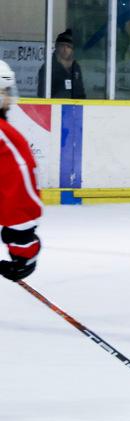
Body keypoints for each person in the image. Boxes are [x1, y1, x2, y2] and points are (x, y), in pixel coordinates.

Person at [0, 61, 43, 282]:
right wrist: (22, 242)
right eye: (6, 91)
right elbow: (20, 182)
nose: (9, 99)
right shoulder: (4, 136)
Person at [37, 29, 86, 99]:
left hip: (75, 105)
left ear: (72, 50)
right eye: (62, 46)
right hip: (55, 104)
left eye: (68, 47)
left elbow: (80, 92)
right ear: (57, 47)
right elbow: (42, 93)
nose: (65, 50)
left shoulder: (75, 67)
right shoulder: (48, 67)